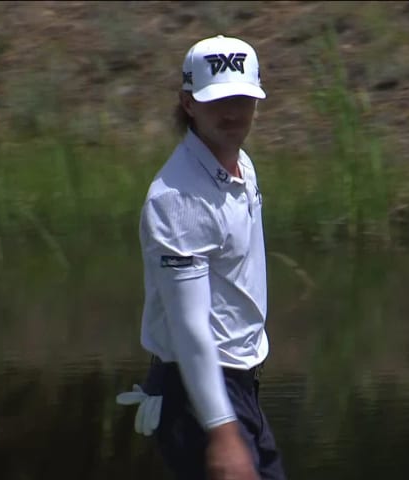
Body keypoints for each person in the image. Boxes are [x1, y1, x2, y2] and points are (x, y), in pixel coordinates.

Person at [119, 34, 285, 480]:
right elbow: (189, 328)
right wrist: (223, 431)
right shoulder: (176, 199)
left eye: (242, 98)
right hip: (198, 396)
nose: (232, 112)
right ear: (188, 103)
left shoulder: (240, 164)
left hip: (237, 389)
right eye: (217, 101)